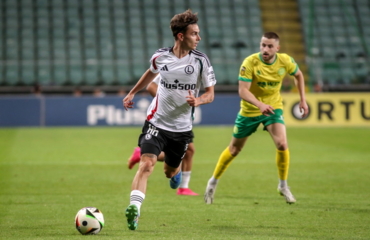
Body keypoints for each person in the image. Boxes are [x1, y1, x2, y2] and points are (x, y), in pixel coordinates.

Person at [122, 9, 216, 230]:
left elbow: (210, 93)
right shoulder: (161, 57)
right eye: (194, 34)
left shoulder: (201, 61)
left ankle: (177, 171)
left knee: (170, 172)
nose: (199, 38)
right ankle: (134, 210)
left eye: (198, 33)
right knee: (146, 164)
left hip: (181, 129)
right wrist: (132, 92)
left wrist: (199, 101)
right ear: (181, 36)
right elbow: (150, 72)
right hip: (156, 121)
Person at [204, 32, 308, 205]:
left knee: (282, 144)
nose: (265, 49)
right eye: (263, 45)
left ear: (277, 48)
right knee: (234, 150)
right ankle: (213, 181)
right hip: (250, 111)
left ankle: (283, 185)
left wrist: (303, 99)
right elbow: (243, 91)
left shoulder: (285, 61)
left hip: (273, 107)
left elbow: (299, 75)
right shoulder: (250, 62)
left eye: (269, 46)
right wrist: (259, 105)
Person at [128, 76, 198, 196]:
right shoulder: (171, 67)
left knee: (188, 151)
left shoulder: (195, 67)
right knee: (189, 151)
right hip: (173, 121)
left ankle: (180, 181)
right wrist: (170, 105)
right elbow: (151, 86)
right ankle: (183, 186)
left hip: (182, 122)